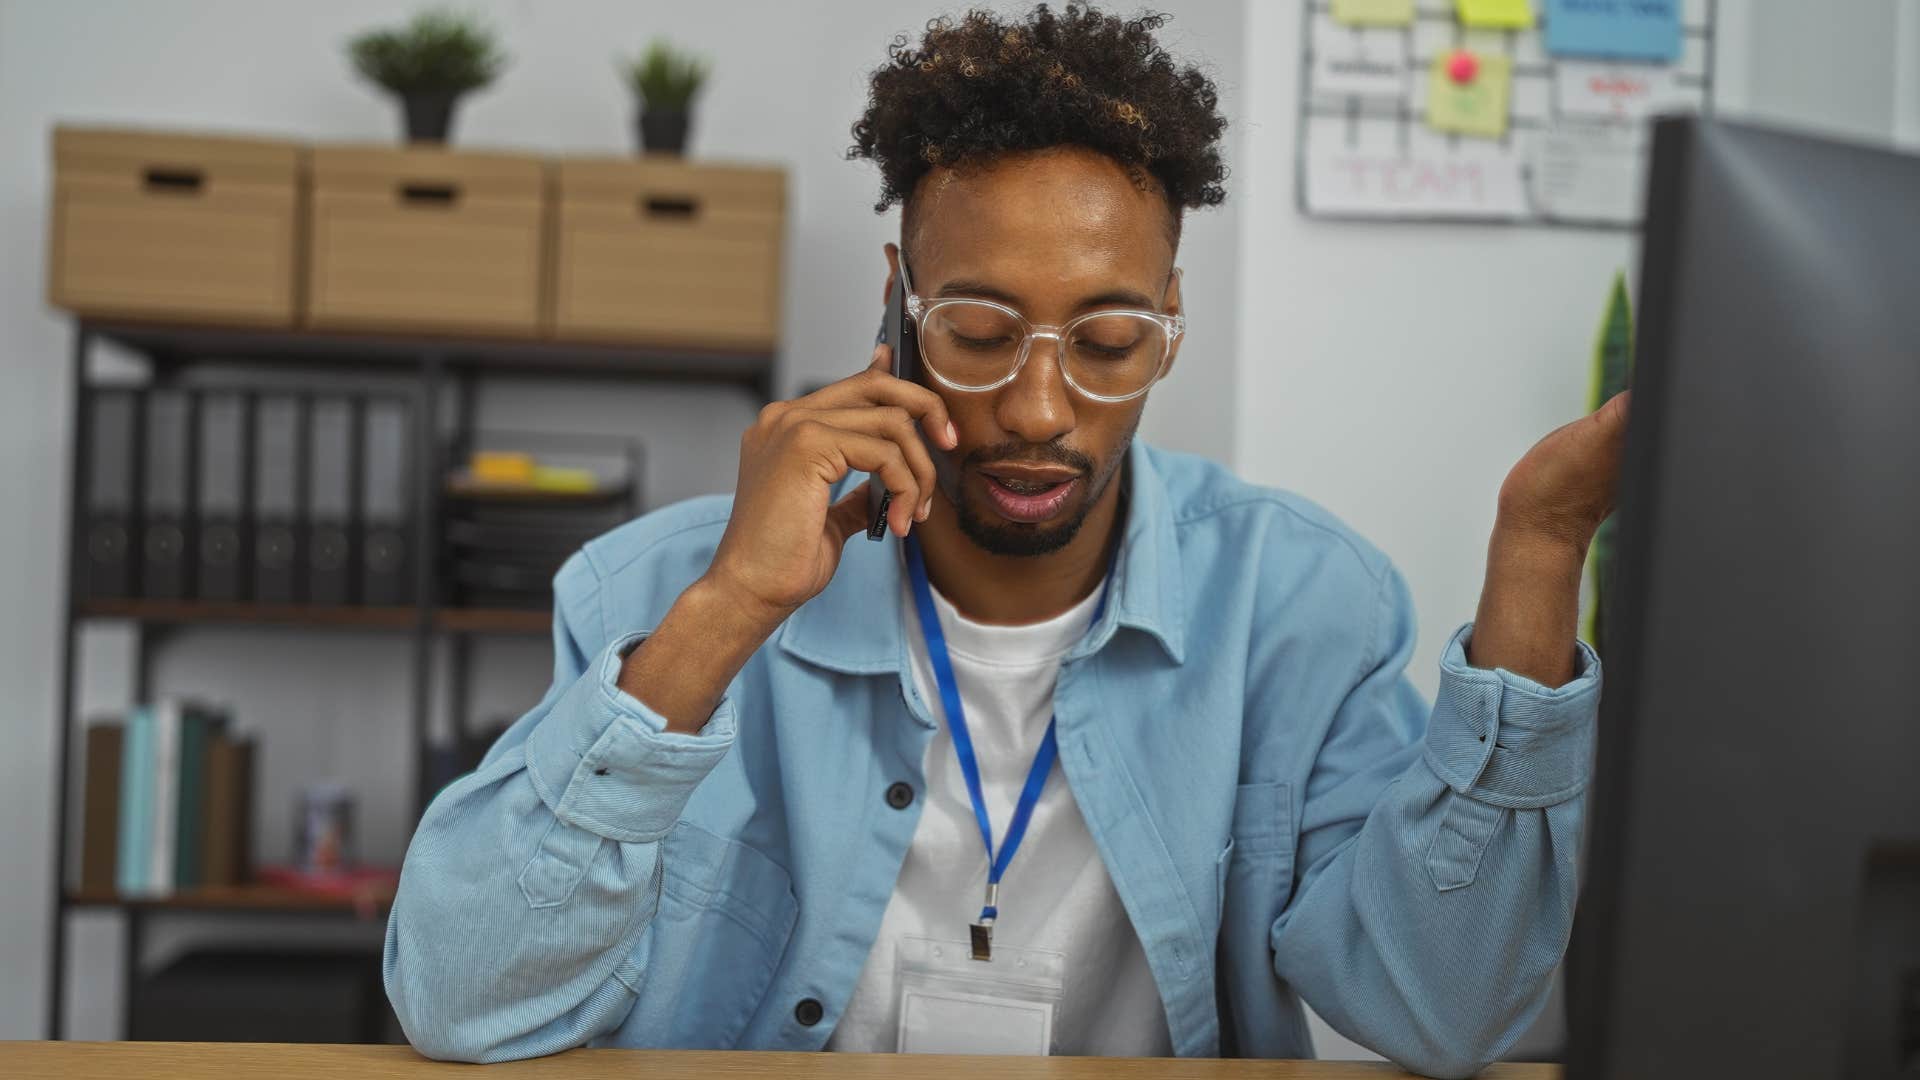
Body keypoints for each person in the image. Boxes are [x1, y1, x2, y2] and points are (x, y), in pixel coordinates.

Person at [383, 6, 1622, 1076]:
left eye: (1109, 339)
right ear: (899, 302)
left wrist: (1541, 543)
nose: (1038, 411)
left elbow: (1448, 1012)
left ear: (1171, 317)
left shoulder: (1298, 603)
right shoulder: (652, 589)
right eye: (977, 330)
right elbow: (467, 1002)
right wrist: (728, 612)